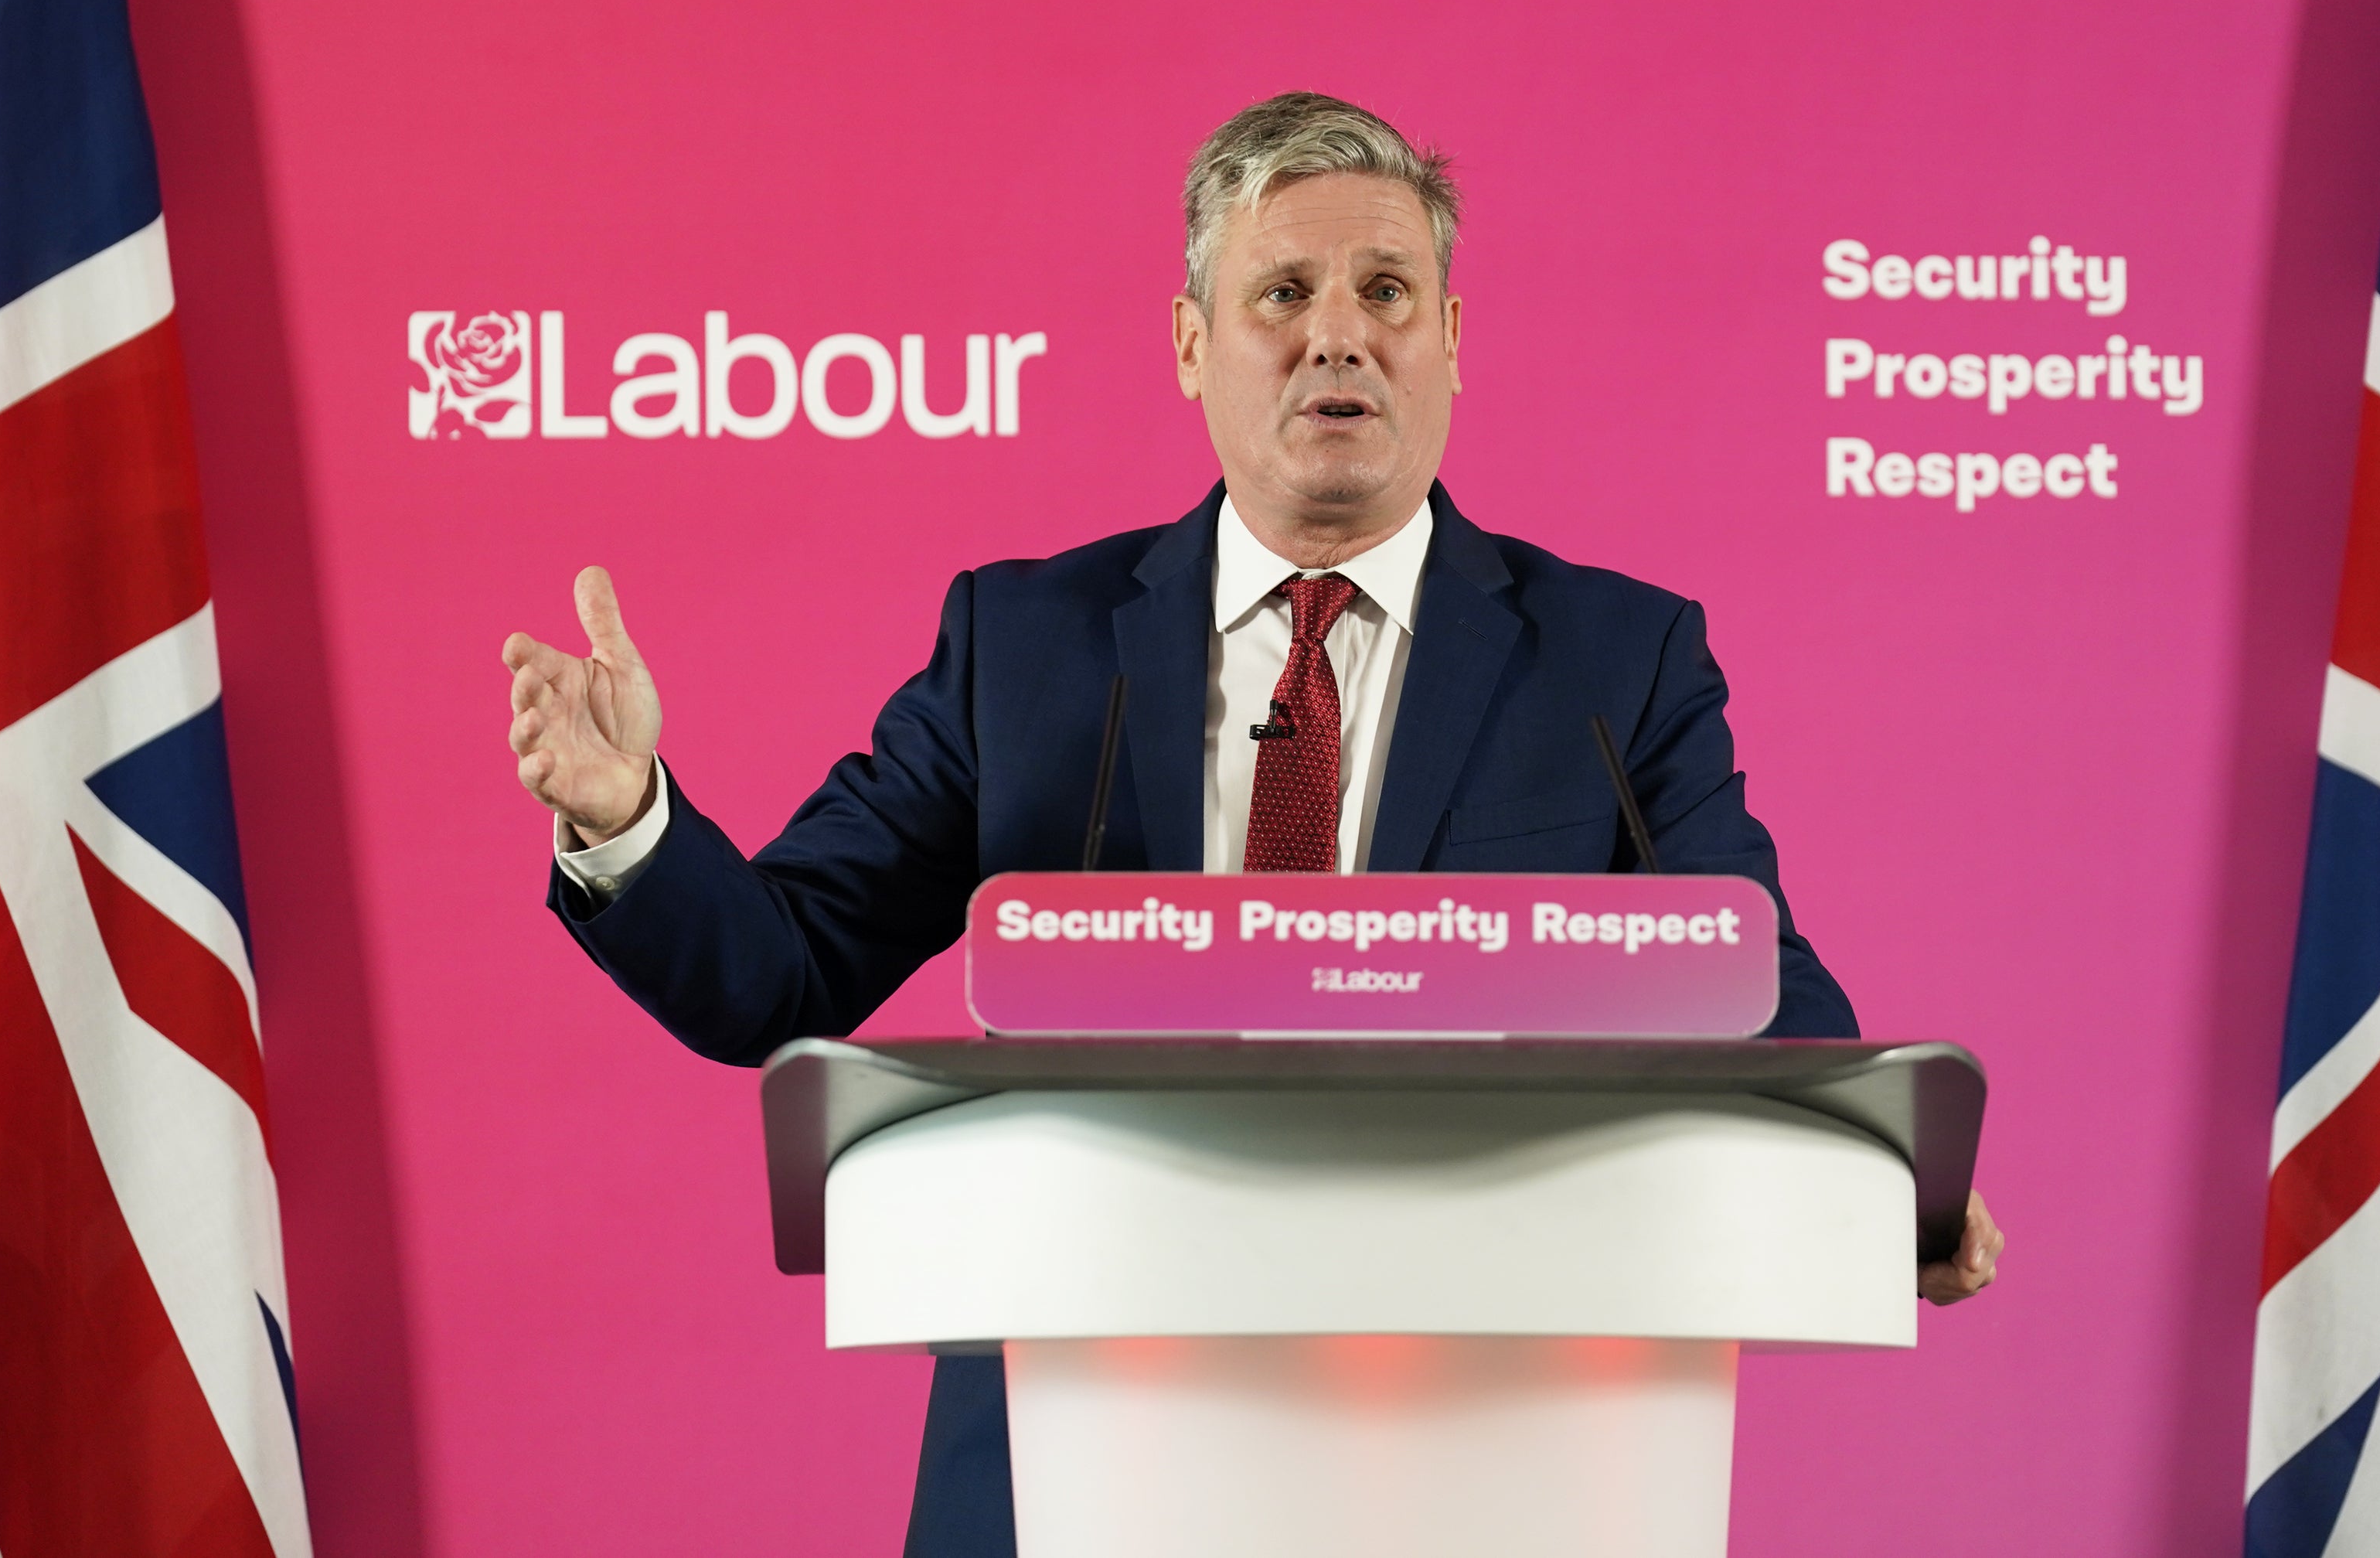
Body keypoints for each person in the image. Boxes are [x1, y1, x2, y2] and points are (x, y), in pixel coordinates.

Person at [502, 92, 2004, 1557]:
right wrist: (628, 811)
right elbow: (780, 971)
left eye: (1386, 290)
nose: (1337, 331)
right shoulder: (1023, 645)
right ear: (1188, 343)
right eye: (1282, 289)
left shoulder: (1618, 662)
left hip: (1494, 1441)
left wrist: (1883, 1174)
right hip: (1077, 1430)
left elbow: (1756, 987)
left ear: (1451, 341)